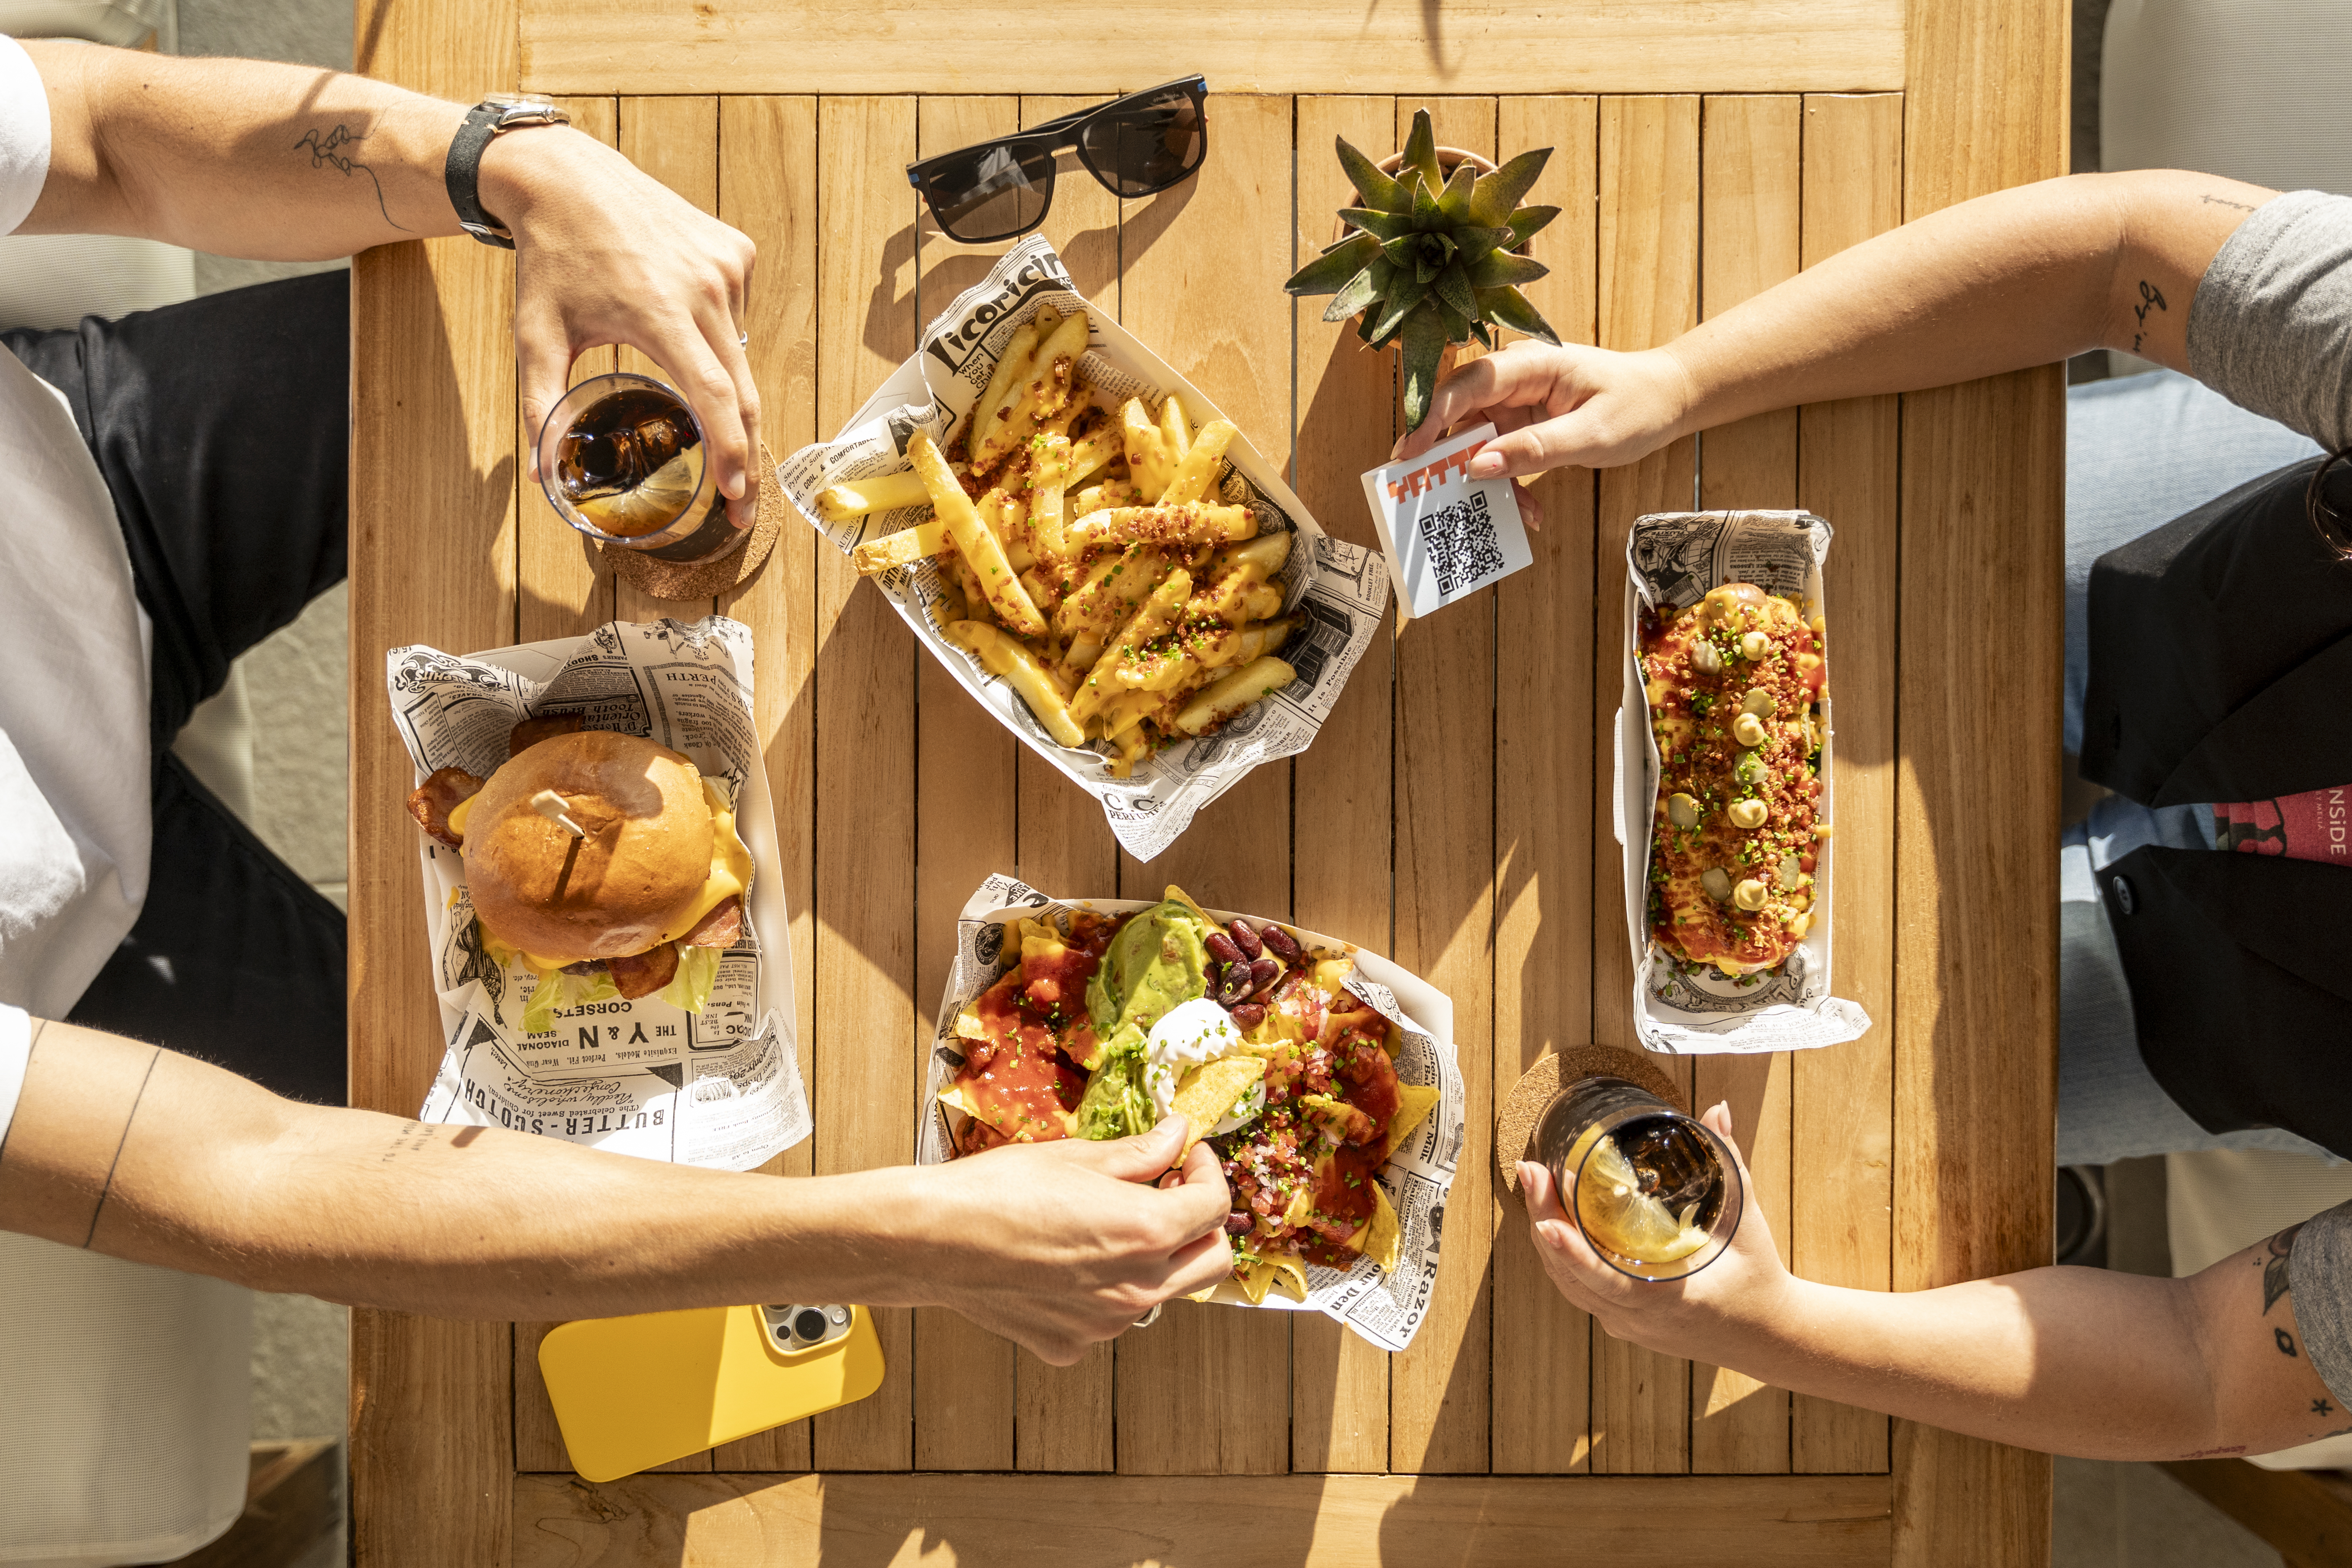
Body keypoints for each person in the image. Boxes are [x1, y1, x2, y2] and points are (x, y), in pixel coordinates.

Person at [0, 35, 1231, 1363]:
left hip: (71, 465)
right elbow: (257, 1173)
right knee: (575, 1191)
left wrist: (516, 166)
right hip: (90, 940)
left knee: (616, 347)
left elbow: (96, 133)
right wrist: (901, 1237)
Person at [1401, 168, 2352, 1458]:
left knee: (1819, 1130)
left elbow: (2204, 1367)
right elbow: (2116, 256)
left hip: (2244, 1003)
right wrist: (1682, 379)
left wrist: (1772, 1326)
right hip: (2215, 589)